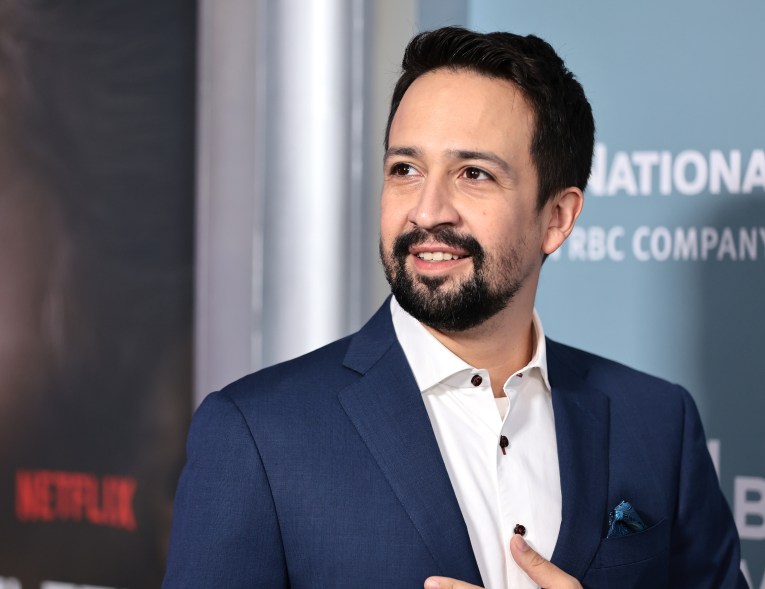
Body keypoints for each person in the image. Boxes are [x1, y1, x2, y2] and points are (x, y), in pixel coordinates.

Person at [163, 27, 746, 588]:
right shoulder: (257, 434)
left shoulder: (657, 423)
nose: (426, 210)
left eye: (473, 174)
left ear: (558, 217)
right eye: (405, 169)